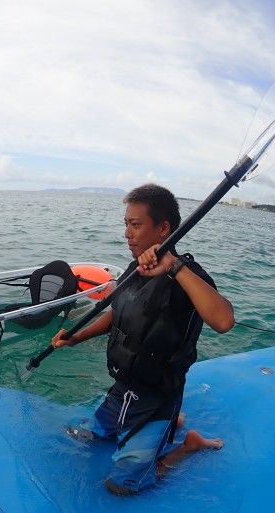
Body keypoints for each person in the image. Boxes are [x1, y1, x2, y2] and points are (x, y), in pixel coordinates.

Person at [52, 184, 234, 496]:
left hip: (156, 396)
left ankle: (187, 445)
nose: (127, 233)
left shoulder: (189, 276)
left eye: (135, 225)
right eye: (126, 224)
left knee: (122, 486)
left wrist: (173, 267)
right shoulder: (133, 270)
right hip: (122, 389)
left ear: (163, 229)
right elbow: (119, 315)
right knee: (88, 437)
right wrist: (76, 337)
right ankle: (168, 427)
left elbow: (224, 320)